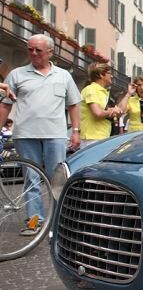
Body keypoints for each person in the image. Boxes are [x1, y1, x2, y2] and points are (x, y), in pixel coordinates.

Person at [0, 34, 81, 235]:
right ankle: (35, 220)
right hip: (25, 135)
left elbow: (73, 105)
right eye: (30, 49)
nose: (33, 53)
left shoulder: (63, 75)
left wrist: (76, 131)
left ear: (50, 52)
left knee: (58, 180)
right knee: (31, 179)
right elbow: (5, 105)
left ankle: (58, 222)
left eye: (38, 50)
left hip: (55, 134)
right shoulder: (17, 75)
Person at [79, 63, 133, 147]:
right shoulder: (91, 90)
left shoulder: (105, 92)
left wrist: (128, 94)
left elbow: (120, 111)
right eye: (110, 73)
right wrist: (111, 111)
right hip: (92, 137)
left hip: (103, 136)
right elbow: (97, 113)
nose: (111, 76)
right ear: (101, 75)